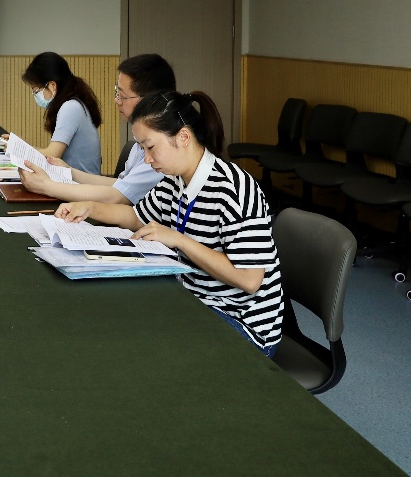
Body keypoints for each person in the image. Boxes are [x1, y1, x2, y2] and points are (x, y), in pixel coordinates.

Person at [55, 91, 284, 356]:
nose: (147, 159)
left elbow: (250, 279)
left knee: (142, 346)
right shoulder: (175, 181)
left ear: (183, 137)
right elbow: (136, 217)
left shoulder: (235, 190)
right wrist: (89, 208)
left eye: (151, 147)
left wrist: (178, 240)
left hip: (243, 325)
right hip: (195, 301)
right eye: (142, 149)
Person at [19, 53, 176, 204]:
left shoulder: (161, 147)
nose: (116, 100)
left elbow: (119, 196)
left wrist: (46, 186)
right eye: (117, 92)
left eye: (121, 95)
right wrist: (68, 171)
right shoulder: (140, 143)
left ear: (148, 100)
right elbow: (121, 184)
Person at [19, 52, 103, 174]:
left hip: (80, 183)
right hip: (74, 179)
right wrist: (21, 146)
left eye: (36, 90)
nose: (35, 95)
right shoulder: (73, 104)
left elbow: (52, 155)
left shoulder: (71, 107)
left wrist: (19, 149)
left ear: (52, 85)